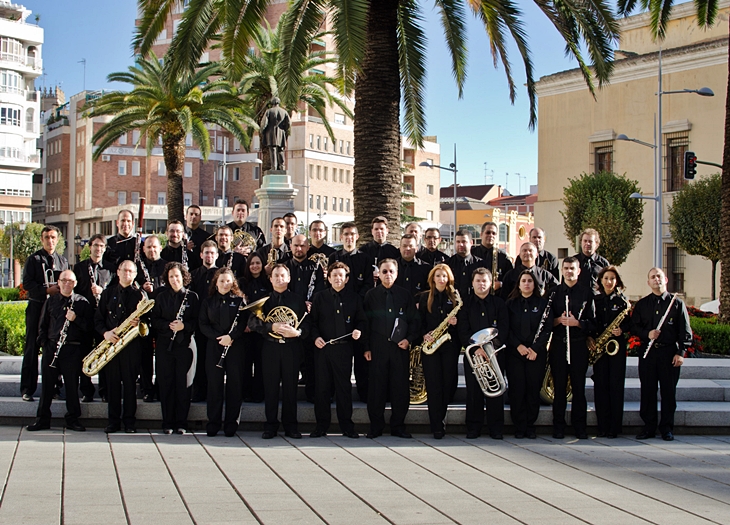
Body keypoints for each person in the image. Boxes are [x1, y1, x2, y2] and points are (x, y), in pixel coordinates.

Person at [27, 270, 93, 432]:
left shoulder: (82, 303)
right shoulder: (51, 302)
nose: (67, 284)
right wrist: (44, 344)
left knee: (71, 387)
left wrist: (75, 319)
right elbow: (42, 326)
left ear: (75, 283)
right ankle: (42, 420)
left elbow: (89, 329)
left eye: (70, 281)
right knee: (47, 386)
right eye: (64, 280)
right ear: (59, 282)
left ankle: (72, 419)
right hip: (52, 347)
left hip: (72, 349)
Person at [631, 267, 692, 442]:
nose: (656, 279)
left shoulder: (677, 304)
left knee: (668, 392)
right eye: (652, 277)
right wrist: (647, 334)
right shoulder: (642, 305)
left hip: (668, 353)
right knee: (648, 391)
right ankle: (649, 427)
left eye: (659, 276)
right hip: (648, 354)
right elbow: (634, 327)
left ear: (665, 279)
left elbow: (685, 332)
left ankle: (667, 428)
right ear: (648, 282)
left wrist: (680, 353)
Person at [249, 264, 310, 439]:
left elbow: (307, 323)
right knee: (271, 388)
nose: (279, 279)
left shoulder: (298, 300)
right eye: (276, 276)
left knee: (291, 388)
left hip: (291, 348)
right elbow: (253, 323)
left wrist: (297, 332)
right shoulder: (264, 301)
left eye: (283, 275)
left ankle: (291, 426)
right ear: (270, 279)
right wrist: (271, 326)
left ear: (289, 278)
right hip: (270, 348)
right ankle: (270, 426)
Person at [363, 258, 420, 438]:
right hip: (377, 348)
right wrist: (366, 348)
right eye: (384, 271)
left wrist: (409, 340)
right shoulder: (370, 296)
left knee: (399, 388)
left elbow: (414, 321)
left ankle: (398, 426)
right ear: (378, 274)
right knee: (376, 389)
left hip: (399, 348)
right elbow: (365, 323)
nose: (388, 275)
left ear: (397, 273)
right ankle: (376, 426)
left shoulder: (405, 295)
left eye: (391, 271)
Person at [310, 262, 367, 438]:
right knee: (322, 389)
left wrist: (358, 330)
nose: (337, 278)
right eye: (334, 275)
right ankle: (321, 426)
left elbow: (362, 321)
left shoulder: (355, 298)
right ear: (328, 278)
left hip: (344, 350)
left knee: (344, 389)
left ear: (347, 279)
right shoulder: (319, 297)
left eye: (341, 275)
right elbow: (312, 323)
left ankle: (347, 426)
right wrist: (315, 337)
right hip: (323, 350)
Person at [95, 260, 147, 433]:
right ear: (117, 272)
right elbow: (98, 320)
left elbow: (148, 324)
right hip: (112, 344)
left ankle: (130, 423)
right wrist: (106, 333)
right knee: (113, 385)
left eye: (130, 271)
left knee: (130, 386)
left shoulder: (140, 296)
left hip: (131, 346)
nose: (127, 274)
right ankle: (113, 422)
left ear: (134, 274)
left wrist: (139, 322)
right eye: (124, 270)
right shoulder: (107, 293)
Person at [457, 268, 509, 439]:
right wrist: (476, 348)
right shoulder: (465, 305)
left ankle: (496, 429)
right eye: (478, 281)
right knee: (473, 392)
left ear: (490, 283)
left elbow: (503, 328)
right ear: (472, 283)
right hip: (473, 355)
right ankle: (473, 428)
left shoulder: (499, 304)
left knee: (496, 391)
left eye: (484, 281)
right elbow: (463, 330)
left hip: (494, 354)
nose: (481, 284)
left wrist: (489, 348)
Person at [150, 262, 200, 434]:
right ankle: (167, 422)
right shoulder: (160, 297)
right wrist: (168, 325)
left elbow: (197, 322)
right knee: (166, 383)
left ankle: (181, 423)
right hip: (165, 345)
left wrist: (184, 326)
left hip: (185, 346)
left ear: (183, 277)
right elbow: (154, 320)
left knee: (184, 385)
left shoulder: (192, 297)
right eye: (171, 276)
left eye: (177, 276)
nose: (174, 279)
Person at [550, 256, 596, 439]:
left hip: (578, 346)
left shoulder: (587, 293)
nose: (569, 271)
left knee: (578, 388)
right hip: (559, 344)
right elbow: (546, 322)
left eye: (572, 268)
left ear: (579, 271)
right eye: (566, 268)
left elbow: (593, 323)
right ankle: (558, 427)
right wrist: (559, 320)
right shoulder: (554, 293)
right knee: (559, 388)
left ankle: (580, 427)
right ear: (562, 270)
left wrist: (577, 323)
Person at [20, 225, 69, 401]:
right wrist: (46, 290)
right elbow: (27, 284)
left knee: (55, 347)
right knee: (31, 348)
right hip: (36, 307)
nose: (50, 241)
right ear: (42, 240)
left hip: (54, 310)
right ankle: (27, 389)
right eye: (47, 237)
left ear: (57, 240)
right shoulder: (33, 259)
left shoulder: (62, 261)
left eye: (53, 237)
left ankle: (55, 387)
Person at [198, 268, 247, 437]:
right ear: (216, 283)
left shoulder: (240, 301)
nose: (225, 284)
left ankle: (231, 424)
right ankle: (213, 423)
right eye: (221, 281)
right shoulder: (208, 301)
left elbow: (242, 323)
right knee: (214, 386)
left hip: (235, 346)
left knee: (235, 386)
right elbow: (203, 324)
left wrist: (231, 337)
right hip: (215, 346)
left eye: (228, 281)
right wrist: (219, 338)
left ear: (233, 283)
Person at [505, 270, 553, 439]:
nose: (526, 284)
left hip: (536, 354)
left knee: (533, 390)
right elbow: (506, 329)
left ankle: (530, 426)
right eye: (523, 280)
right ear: (518, 284)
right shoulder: (510, 304)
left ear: (534, 284)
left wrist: (535, 348)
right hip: (515, 353)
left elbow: (547, 329)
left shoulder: (543, 304)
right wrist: (518, 346)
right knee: (517, 390)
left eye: (530, 281)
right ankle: (519, 426)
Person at [417, 264, 461, 439]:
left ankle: (441, 418)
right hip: (431, 348)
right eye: (438, 276)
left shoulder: (455, 298)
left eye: (444, 276)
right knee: (434, 387)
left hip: (449, 346)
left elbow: (463, 324)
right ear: (432, 279)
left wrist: (456, 323)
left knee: (447, 385)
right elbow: (418, 321)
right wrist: (424, 334)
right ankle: (436, 425)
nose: (441, 279)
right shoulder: (425, 298)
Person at [328, 222, 371, 402]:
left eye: (352, 234)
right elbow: (329, 283)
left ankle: (363, 393)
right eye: (345, 234)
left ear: (357, 237)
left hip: (358, 311)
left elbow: (368, 284)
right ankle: (333, 393)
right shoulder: (333, 257)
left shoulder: (365, 258)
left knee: (361, 356)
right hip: (336, 312)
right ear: (341, 237)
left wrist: (354, 303)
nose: (349, 237)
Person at [73, 234, 113, 402]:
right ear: (89, 247)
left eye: (101, 246)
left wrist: (101, 292)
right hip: (85, 318)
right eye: (95, 245)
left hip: (102, 319)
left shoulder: (110, 269)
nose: (98, 249)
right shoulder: (80, 268)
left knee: (103, 355)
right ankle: (87, 391)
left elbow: (112, 293)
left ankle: (104, 391)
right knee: (84, 354)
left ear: (105, 248)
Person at [593, 266, 631, 438]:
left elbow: (631, 323)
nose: (609, 281)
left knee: (616, 388)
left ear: (617, 282)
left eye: (612, 279)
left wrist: (622, 329)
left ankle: (614, 428)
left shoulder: (623, 302)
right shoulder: (595, 300)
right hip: (600, 349)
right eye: (606, 278)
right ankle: (602, 426)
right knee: (601, 388)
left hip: (616, 348)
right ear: (601, 281)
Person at [137, 234, 167, 402]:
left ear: (160, 248)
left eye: (155, 246)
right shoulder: (138, 267)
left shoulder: (167, 267)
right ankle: (147, 388)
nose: (152, 250)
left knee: (162, 357)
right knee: (145, 356)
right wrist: (142, 288)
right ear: (143, 249)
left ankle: (161, 388)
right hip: (145, 318)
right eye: (148, 247)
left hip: (162, 316)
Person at [189, 240, 220, 402]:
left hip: (216, 325)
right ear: (201, 255)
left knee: (214, 362)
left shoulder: (222, 276)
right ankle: (199, 392)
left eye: (212, 253)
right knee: (199, 360)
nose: (209, 255)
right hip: (198, 325)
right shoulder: (193, 275)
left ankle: (213, 394)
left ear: (217, 255)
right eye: (206, 252)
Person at [241, 252, 271, 403]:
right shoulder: (241, 282)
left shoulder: (267, 283)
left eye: (258, 263)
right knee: (245, 363)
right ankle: (245, 393)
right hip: (245, 331)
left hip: (262, 331)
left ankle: (259, 394)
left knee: (261, 363)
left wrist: (258, 325)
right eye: (252, 263)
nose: (255, 266)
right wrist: (246, 324)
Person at [470, 221, 513, 292]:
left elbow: (510, 278)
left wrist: (501, 284)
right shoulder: (472, 253)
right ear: (481, 234)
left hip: (497, 297)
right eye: (488, 232)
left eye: (494, 233)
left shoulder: (503, 256)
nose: (491, 235)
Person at [359, 217, 400, 283]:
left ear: (387, 231)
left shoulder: (394, 251)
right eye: (376, 229)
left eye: (381, 229)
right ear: (372, 231)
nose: (379, 231)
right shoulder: (363, 250)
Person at [446, 230, 482, 298]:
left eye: (464, 241)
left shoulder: (480, 264)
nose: (460, 244)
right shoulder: (447, 264)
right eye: (458, 242)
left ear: (471, 243)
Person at [260, 96, 291, 171]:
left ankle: (273, 167)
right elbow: (289, 123)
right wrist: (284, 129)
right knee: (280, 149)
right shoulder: (284, 112)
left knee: (272, 149)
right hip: (281, 132)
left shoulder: (269, 111)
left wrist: (262, 131)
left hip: (271, 133)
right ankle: (282, 166)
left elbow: (264, 123)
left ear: (272, 102)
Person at [185, 204, 211, 269]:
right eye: (191, 214)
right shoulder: (179, 234)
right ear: (186, 216)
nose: (193, 216)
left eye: (196, 215)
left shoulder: (206, 237)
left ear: (200, 218)